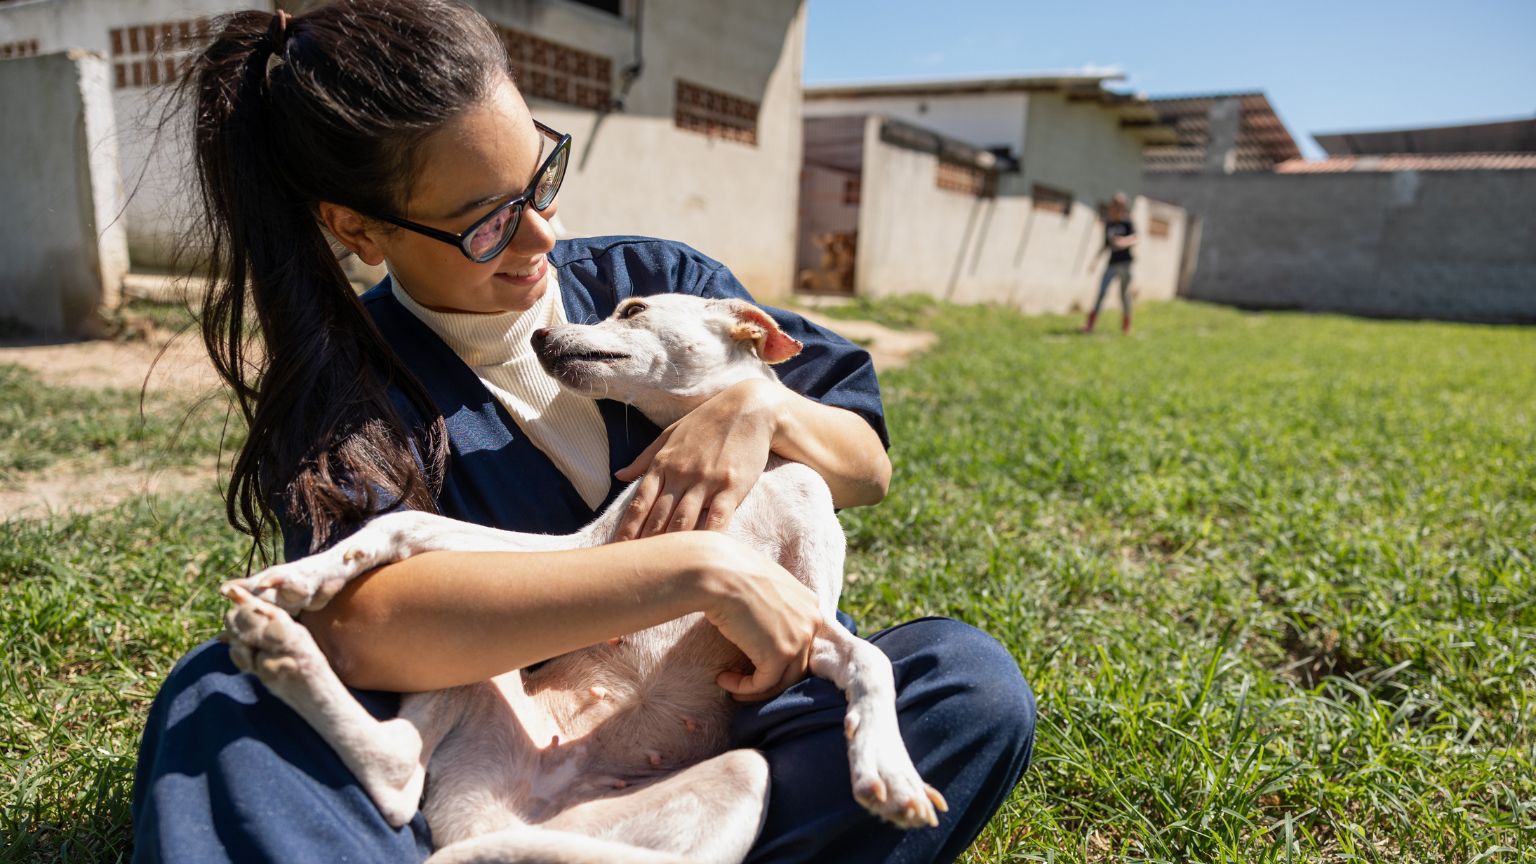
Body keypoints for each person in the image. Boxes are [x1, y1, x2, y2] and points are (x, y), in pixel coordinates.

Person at [130, 3, 1035, 862]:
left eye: (541, 178)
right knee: (220, 701)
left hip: (728, 726)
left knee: (963, 688)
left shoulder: (655, 283)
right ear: (357, 228)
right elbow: (365, 626)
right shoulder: (350, 385)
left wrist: (761, 406)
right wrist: (696, 572)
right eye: (484, 223)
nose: (542, 234)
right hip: (493, 759)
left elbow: (865, 465)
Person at [1081, 192, 1138, 334]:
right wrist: (1095, 260)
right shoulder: (1109, 224)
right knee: (1101, 293)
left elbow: (1135, 238)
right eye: (1115, 204)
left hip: (1125, 264)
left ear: (1124, 207)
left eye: (1120, 205)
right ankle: (1090, 325)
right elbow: (1105, 244)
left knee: (1124, 295)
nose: (1117, 208)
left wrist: (1123, 242)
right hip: (1112, 264)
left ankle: (1126, 325)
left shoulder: (1127, 222)